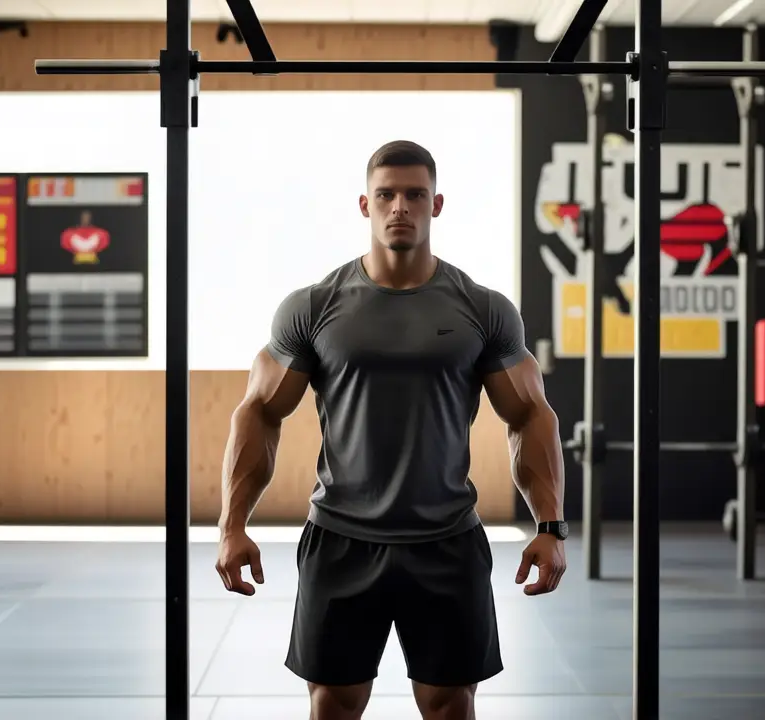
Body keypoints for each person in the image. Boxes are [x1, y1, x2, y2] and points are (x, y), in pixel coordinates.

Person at [214, 140, 568, 720]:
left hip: (447, 540)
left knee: (451, 705)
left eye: (414, 195)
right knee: (333, 704)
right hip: (340, 539)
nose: (399, 206)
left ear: (437, 204)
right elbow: (258, 411)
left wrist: (550, 527)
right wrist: (232, 526)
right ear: (364, 204)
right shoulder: (314, 306)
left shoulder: (483, 308)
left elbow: (531, 415)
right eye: (386, 195)